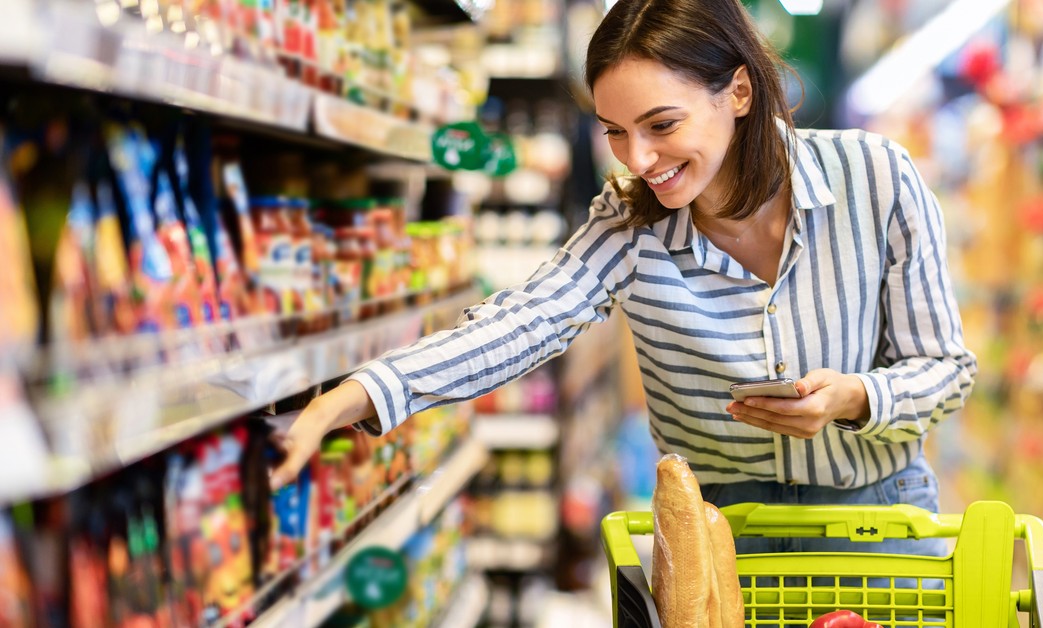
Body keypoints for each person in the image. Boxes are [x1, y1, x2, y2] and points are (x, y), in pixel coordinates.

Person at [270, 0, 976, 561]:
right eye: (614, 131)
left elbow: (946, 368)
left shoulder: (875, 178)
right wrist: (348, 399)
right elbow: (525, 322)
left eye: (660, 124)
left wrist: (857, 397)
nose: (637, 159)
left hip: (875, 527)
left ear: (737, 91)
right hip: (715, 542)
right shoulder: (630, 221)